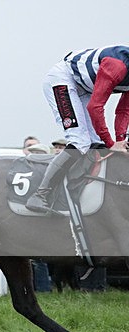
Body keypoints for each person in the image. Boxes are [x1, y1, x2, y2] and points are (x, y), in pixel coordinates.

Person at [26, 46, 129, 214]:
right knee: (80, 141)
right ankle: (40, 194)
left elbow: (124, 111)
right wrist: (111, 143)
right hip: (63, 79)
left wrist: (120, 140)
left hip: (84, 88)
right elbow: (95, 107)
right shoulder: (116, 66)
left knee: (96, 143)